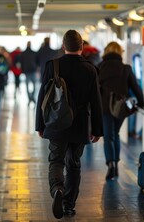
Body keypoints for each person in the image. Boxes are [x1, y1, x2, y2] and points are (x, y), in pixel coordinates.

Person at [36, 30, 103, 219]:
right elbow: (96, 102)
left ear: (63, 46)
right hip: (79, 124)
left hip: (56, 122)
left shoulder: (53, 66)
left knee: (56, 160)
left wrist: (40, 125)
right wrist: (97, 129)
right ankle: (69, 205)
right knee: (73, 164)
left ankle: (57, 188)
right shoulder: (90, 69)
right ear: (81, 47)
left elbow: (42, 98)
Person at [98, 41, 144, 180]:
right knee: (116, 134)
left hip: (105, 107)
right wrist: (141, 104)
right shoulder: (126, 68)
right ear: (120, 52)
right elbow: (136, 88)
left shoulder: (100, 67)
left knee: (108, 136)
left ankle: (111, 164)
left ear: (106, 52)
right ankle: (116, 165)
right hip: (120, 108)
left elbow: (95, 88)